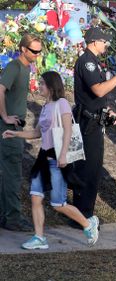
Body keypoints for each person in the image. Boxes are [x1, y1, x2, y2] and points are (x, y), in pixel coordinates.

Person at [2, 71, 99, 249]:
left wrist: (63, 155)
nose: (39, 86)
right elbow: (37, 133)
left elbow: (68, 130)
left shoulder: (62, 104)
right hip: (43, 159)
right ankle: (39, 238)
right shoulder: (46, 106)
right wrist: (15, 133)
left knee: (58, 203)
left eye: (42, 84)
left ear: (52, 86)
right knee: (35, 197)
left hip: (57, 158)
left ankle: (88, 224)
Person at [71, 27, 116, 224]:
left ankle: (83, 213)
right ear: (94, 42)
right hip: (86, 123)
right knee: (87, 169)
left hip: (93, 119)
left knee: (91, 168)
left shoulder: (93, 61)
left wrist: (107, 111)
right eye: (104, 41)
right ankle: (82, 216)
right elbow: (98, 90)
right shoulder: (87, 62)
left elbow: (96, 97)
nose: (106, 44)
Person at [0, 33, 42, 232]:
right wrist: (5, 116)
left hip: (15, 127)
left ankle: (6, 216)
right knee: (13, 174)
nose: (37, 54)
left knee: (8, 174)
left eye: (39, 51)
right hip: (9, 129)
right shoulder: (14, 67)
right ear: (23, 49)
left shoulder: (25, 68)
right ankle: (13, 218)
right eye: (34, 51)